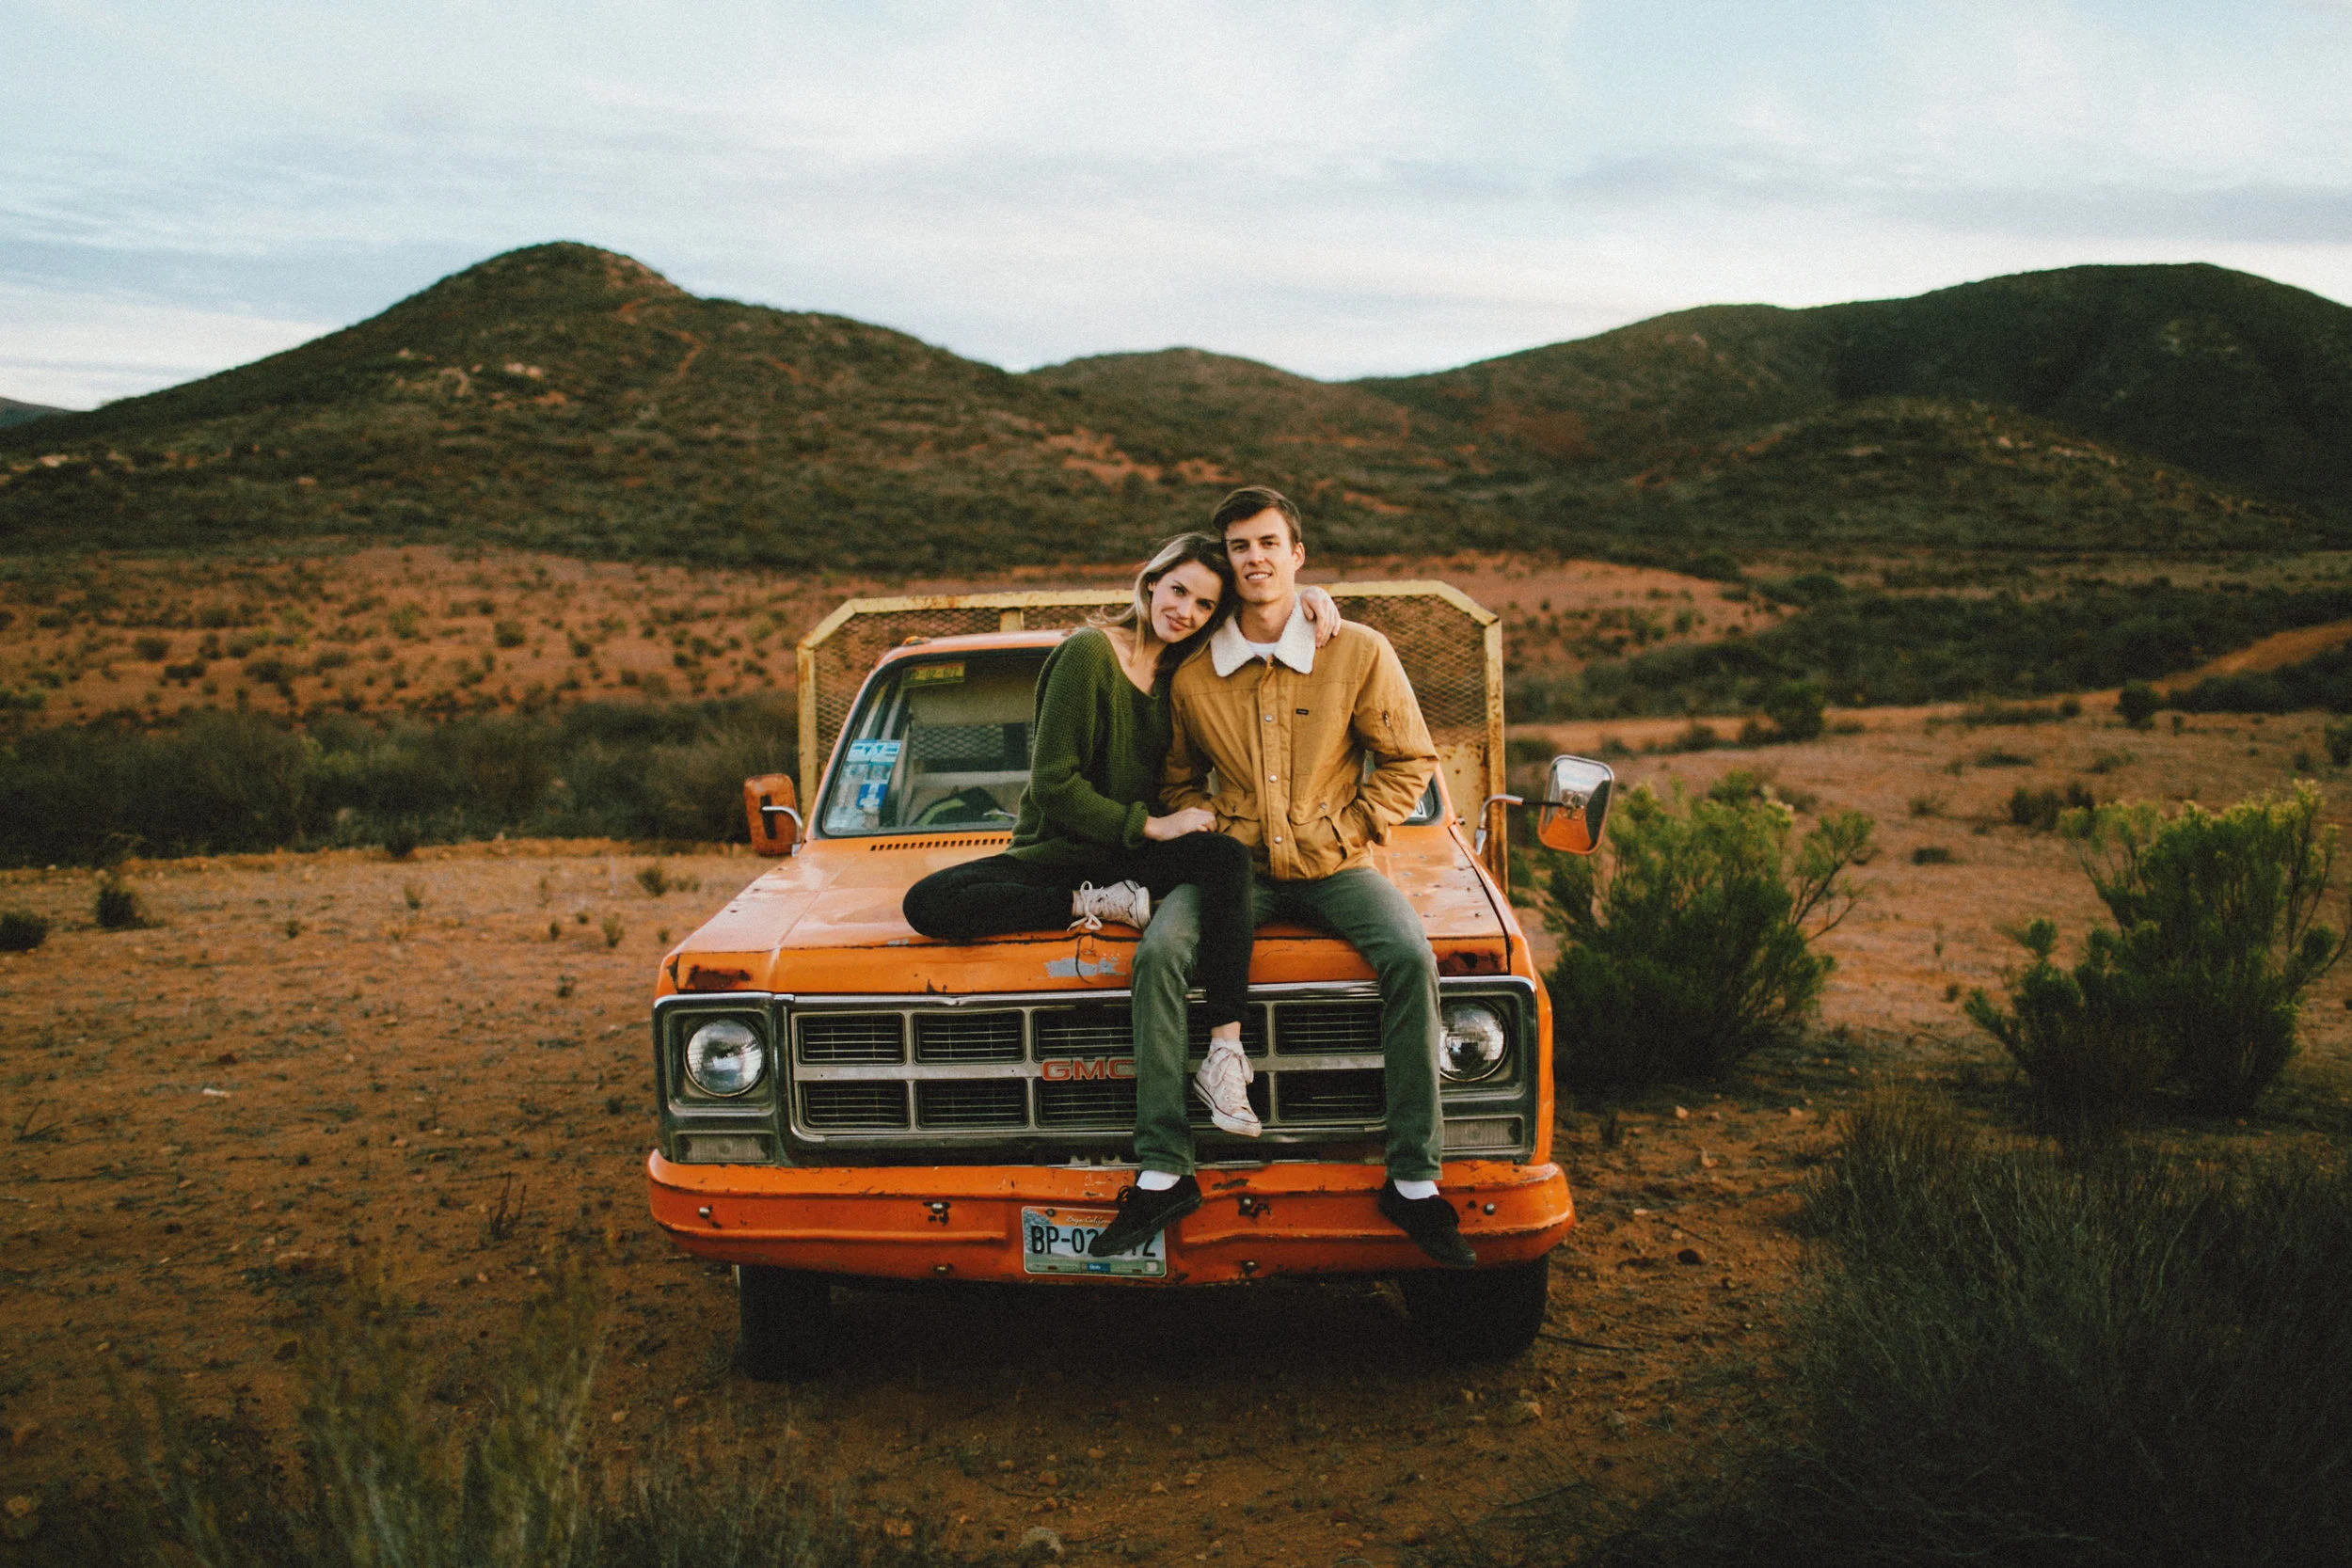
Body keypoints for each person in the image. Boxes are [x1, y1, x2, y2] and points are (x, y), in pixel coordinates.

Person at [1088, 486, 1473, 1268]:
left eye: (1269, 543)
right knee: (1160, 955)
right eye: (1240, 547)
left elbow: (1409, 763)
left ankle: (1413, 1181)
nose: (1255, 557)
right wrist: (1206, 823)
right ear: (1228, 565)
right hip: (1237, 873)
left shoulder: (1359, 651)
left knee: (1409, 956)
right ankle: (1164, 1170)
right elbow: (1175, 781)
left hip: (1337, 865)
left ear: (1298, 554)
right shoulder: (1195, 676)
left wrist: (1345, 828)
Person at [901, 534, 1341, 1141]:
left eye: (1205, 605)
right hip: (1063, 852)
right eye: (1179, 589)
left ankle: (1223, 1052)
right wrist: (1152, 826)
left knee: (1223, 858)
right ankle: (1092, 904)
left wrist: (1310, 598)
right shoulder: (1089, 654)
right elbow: (1054, 784)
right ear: (1152, 581)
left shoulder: (1185, 672)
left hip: (1134, 858)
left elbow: (1265, 618)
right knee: (927, 903)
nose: (1185, 610)